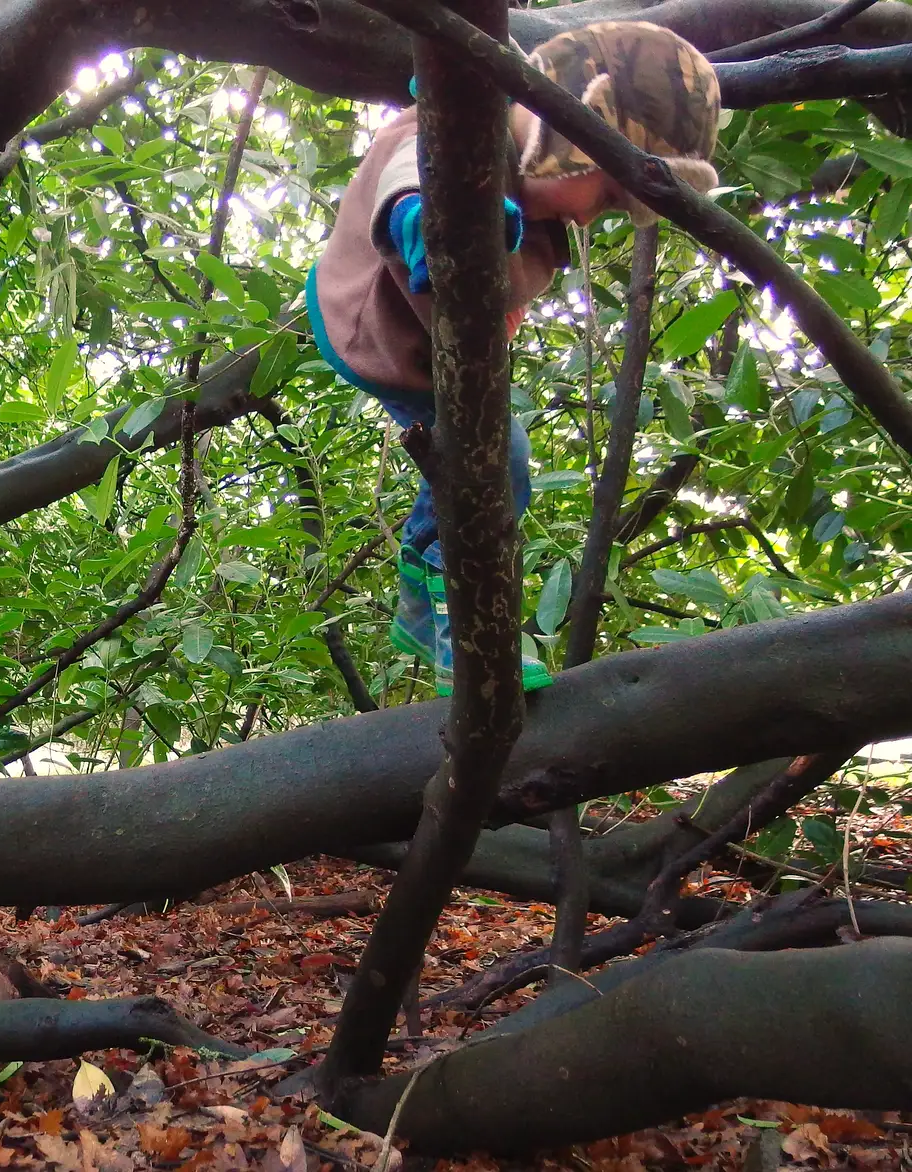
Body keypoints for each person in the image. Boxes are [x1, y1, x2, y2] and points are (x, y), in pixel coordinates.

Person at [305, 21, 721, 697]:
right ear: (572, 133)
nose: (596, 217)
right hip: (378, 330)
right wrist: (438, 220)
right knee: (500, 458)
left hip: (428, 342)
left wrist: (496, 318)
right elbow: (413, 176)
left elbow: (512, 286)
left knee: (480, 457)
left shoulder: (543, 213)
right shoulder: (456, 136)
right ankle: (454, 632)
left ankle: (421, 596)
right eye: (609, 195)